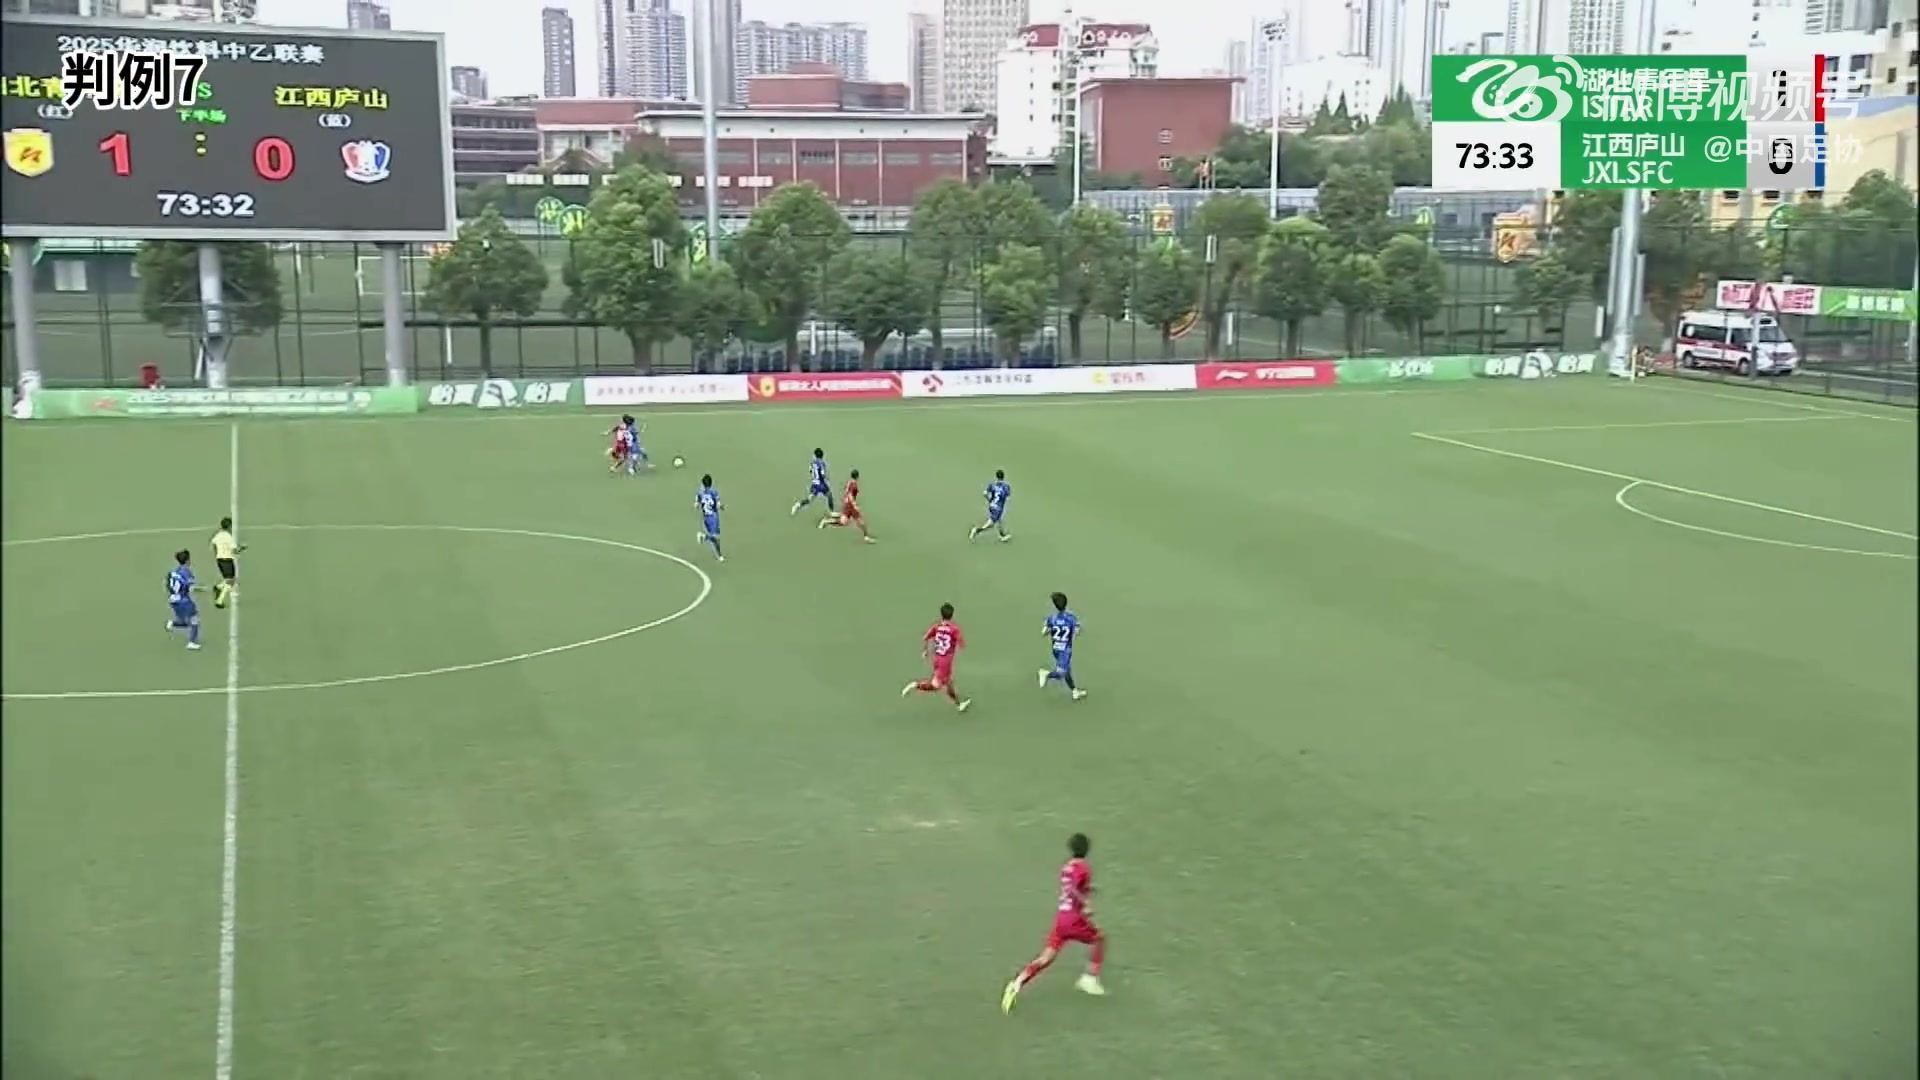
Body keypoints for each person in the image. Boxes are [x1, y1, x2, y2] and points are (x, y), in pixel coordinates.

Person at [1002, 833, 1106, 1013]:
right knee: (1100, 938)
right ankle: (1090, 979)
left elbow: (1071, 886)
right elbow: (1073, 889)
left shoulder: (1067, 867)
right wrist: (1086, 904)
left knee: (1046, 958)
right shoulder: (1083, 867)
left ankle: (1016, 983)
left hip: (1061, 919)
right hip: (1074, 919)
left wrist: (1089, 889)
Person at [902, 602, 969, 712]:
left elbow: (926, 637)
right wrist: (957, 644)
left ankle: (959, 704)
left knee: (948, 683)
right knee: (936, 685)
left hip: (937, 658)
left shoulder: (937, 626)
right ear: (952, 615)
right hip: (945, 662)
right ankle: (916, 685)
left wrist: (925, 651)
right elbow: (962, 644)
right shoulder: (954, 629)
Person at [1039, 591, 1087, 700]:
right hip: (1065, 650)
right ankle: (1046, 674)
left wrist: (1052, 629)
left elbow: (1044, 632)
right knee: (1061, 673)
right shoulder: (1071, 618)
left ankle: (1075, 691)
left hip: (1056, 648)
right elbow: (1077, 631)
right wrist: (1076, 629)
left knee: (1067, 670)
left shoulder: (1052, 618)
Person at [819, 468, 875, 543]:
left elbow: (847, 491)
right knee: (860, 521)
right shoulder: (854, 485)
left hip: (847, 504)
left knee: (843, 522)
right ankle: (866, 537)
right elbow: (850, 495)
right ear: (857, 476)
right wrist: (854, 505)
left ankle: (827, 519)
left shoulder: (849, 482)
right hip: (850, 506)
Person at [164, 549, 203, 650]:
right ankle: (192, 642)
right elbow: (191, 588)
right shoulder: (186, 572)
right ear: (187, 560)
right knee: (194, 620)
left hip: (173, 600)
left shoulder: (173, 572)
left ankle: (172, 623)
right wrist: (204, 589)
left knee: (185, 622)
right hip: (183, 601)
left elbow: (168, 585)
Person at [969, 470, 1013, 543]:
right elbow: (1007, 495)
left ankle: (1002, 536)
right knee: (990, 524)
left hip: (992, 506)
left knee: (999, 520)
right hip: (998, 508)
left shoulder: (992, 485)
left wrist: (990, 500)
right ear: (1003, 477)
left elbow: (985, 493)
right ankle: (976, 530)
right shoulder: (1006, 487)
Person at [790, 448, 835, 516]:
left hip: (814, 484)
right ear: (822, 455)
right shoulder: (821, 463)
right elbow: (823, 474)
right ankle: (831, 512)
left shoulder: (812, 463)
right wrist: (827, 478)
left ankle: (797, 505)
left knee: (809, 500)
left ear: (815, 455)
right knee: (829, 495)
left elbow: (811, 471)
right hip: (821, 484)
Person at [211, 516, 244, 609]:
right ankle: (219, 601)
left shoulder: (218, 535)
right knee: (230, 581)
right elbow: (234, 551)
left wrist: (217, 554)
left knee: (228, 579)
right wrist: (241, 548)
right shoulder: (229, 537)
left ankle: (218, 587)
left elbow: (214, 544)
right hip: (227, 560)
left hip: (219, 559)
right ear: (229, 526)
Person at [694, 474, 725, 563]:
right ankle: (704, 537)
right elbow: (718, 504)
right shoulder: (714, 492)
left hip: (706, 518)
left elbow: (696, 504)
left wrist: (698, 505)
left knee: (716, 538)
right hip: (713, 518)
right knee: (716, 537)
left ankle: (719, 555)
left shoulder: (700, 492)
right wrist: (721, 507)